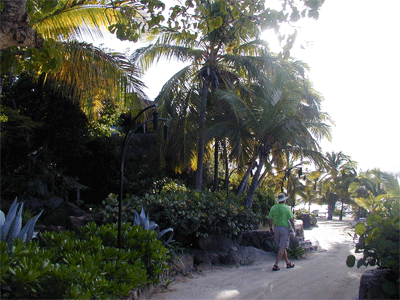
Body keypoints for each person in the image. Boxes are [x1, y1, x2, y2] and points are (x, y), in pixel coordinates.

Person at [268, 193, 296, 271]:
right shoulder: (287, 208)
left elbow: (270, 219)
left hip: (276, 228)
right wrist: (294, 229)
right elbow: (291, 220)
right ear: (284, 200)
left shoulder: (273, 207)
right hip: (284, 229)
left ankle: (288, 263)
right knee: (282, 247)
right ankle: (275, 265)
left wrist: (271, 229)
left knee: (281, 247)